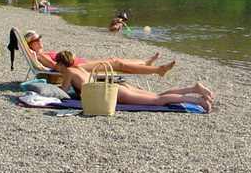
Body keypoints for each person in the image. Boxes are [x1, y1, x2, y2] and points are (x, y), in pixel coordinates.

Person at [55, 50, 213, 112]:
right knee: (156, 96)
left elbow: (63, 92)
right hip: (115, 86)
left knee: (158, 100)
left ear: (62, 64)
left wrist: (53, 86)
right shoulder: (80, 69)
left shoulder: (68, 71)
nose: (55, 66)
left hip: (115, 92)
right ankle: (193, 88)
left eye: (57, 64)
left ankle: (198, 101)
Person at [24, 30, 175, 76]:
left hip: (80, 63)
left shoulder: (41, 54)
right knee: (117, 64)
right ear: (32, 44)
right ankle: (158, 70)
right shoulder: (41, 56)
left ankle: (145, 63)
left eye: (40, 38)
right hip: (79, 67)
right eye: (37, 40)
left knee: (115, 60)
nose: (40, 41)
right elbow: (58, 68)